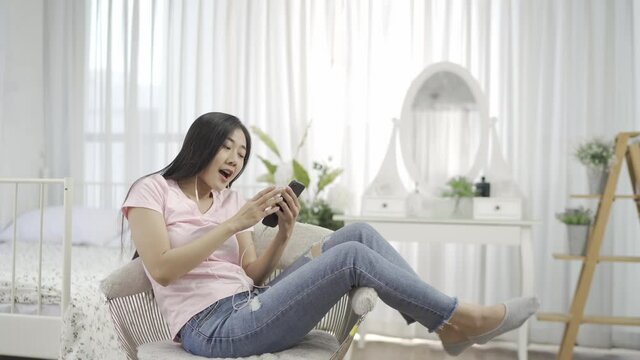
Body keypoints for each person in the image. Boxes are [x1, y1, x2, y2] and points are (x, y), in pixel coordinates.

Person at [122, 112, 539, 358]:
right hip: (210, 327)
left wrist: (283, 234)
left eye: (242, 153)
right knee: (350, 258)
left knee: (358, 234)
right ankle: (462, 318)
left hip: (248, 303)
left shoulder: (230, 199)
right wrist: (231, 225)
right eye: (227, 148)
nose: (235, 159)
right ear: (201, 146)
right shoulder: (152, 191)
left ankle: (445, 324)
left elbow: (251, 274)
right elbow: (160, 268)